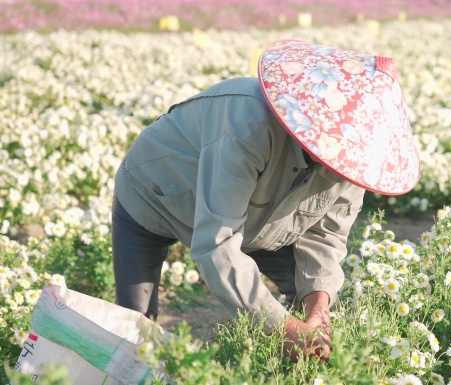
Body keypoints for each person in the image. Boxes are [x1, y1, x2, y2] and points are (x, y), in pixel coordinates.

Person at [111, 39, 420, 362]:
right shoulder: (248, 124)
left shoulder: (355, 161)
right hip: (156, 194)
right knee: (136, 328)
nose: (340, 167)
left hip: (263, 224)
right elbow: (217, 244)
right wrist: (281, 327)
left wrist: (318, 304)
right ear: (317, 118)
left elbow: (325, 236)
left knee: (322, 314)